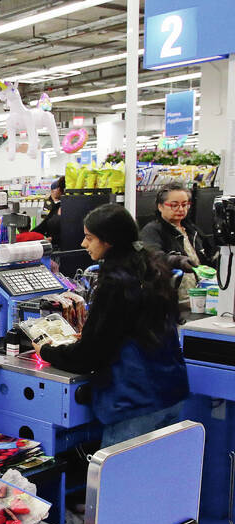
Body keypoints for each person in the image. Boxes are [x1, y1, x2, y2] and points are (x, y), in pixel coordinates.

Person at [35, 204, 188, 447]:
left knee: (121, 482)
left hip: (135, 405)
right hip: (170, 394)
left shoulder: (116, 282)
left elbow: (89, 355)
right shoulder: (149, 267)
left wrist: (46, 350)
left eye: (89, 238)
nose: (84, 245)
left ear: (109, 240)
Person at [139, 183, 217, 289]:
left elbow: (209, 256)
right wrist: (177, 261)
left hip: (197, 294)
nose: (181, 209)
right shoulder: (152, 230)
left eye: (184, 205)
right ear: (160, 206)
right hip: (170, 296)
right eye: (174, 205)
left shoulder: (193, 230)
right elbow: (153, 257)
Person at [36, 176, 65, 249]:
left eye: (58, 188)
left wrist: (53, 239)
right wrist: (29, 235)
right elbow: (43, 224)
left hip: (63, 249)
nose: (56, 190)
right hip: (53, 248)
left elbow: (70, 232)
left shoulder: (69, 208)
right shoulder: (55, 205)